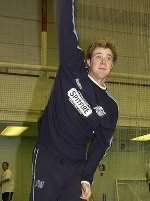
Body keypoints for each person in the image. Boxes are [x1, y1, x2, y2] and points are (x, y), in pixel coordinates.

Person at [29, 0, 118, 201]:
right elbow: (66, 25)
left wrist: (87, 177)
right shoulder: (72, 65)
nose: (103, 61)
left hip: (75, 168)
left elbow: (101, 145)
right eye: (98, 56)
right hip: (48, 157)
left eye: (108, 58)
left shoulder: (110, 107)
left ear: (112, 66)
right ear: (88, 61)